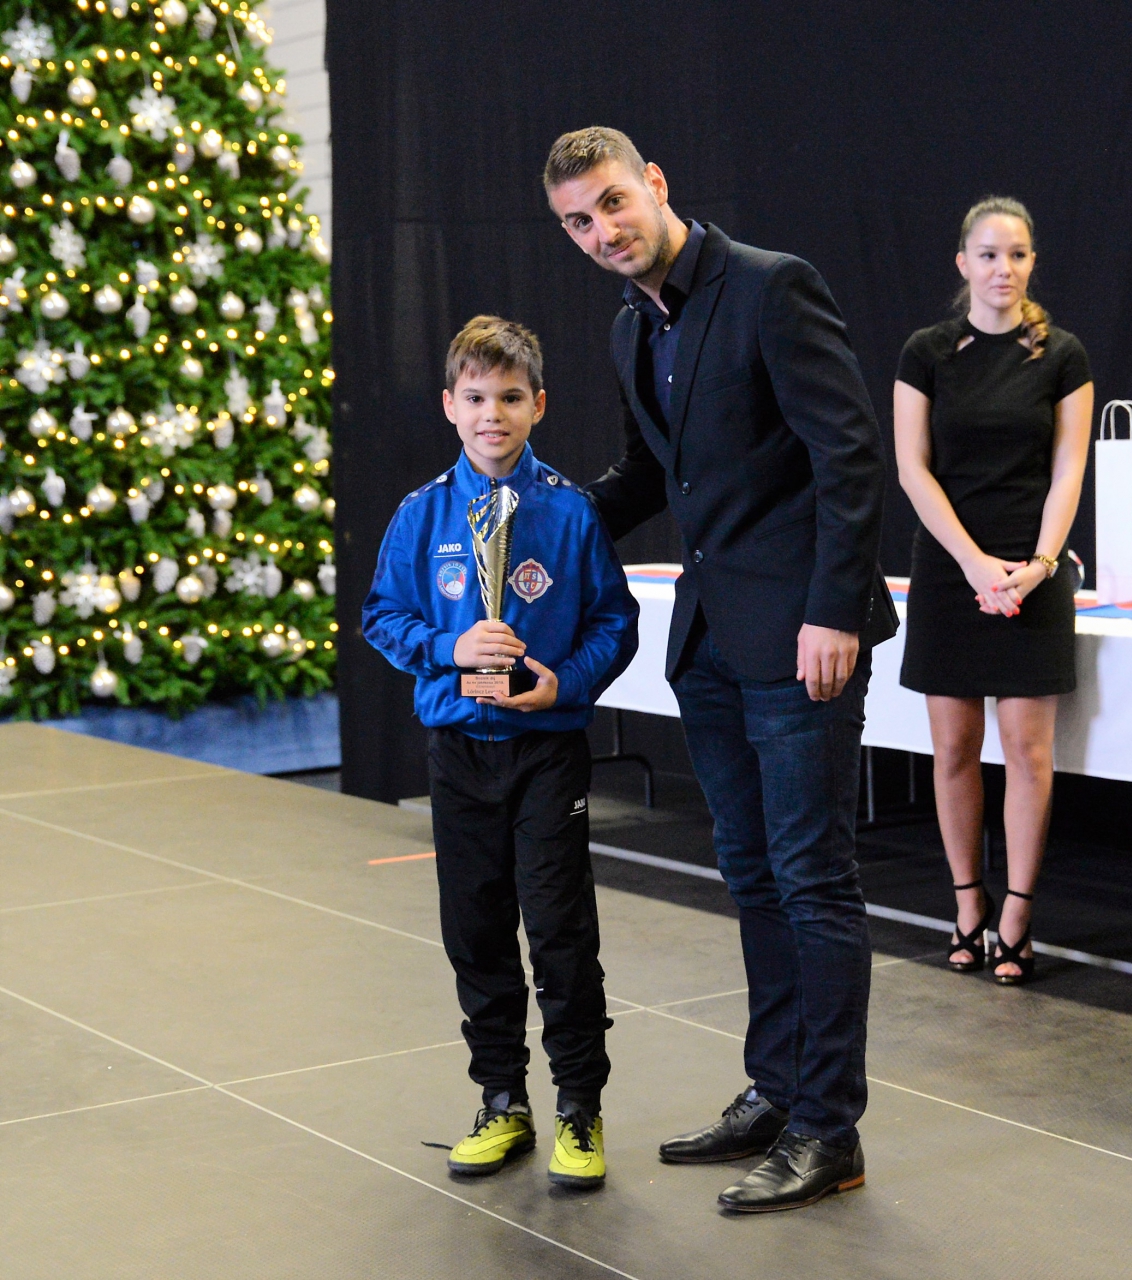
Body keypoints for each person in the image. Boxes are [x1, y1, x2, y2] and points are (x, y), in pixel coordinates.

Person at [544, 127, 897, 1213]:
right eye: (578, 222)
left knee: (812, 878)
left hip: (800, 638)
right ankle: (778, 1089)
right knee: (751, 876)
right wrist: (547, 522)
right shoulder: (629, 327)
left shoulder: (771, 287)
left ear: (654, 184)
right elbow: (652, 473)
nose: (602, 231)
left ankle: (829, 1127)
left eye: (612, 202)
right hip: (706, 641)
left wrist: (834, 609)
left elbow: (849, 456)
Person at [362, 316, 640, 1189]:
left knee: (560, 932)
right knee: (476, 930)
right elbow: (381, 616)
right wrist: (449, 648)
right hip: (459, 751)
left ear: (538, 406)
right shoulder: (421, 515)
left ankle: (579, 1107)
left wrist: (565, 684)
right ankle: (500, 1099)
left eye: (511, 398)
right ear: (450, 405)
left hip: (545, 753)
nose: (494, 415)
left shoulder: (568, 511)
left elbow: (615, 623)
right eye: (476, 398)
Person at [893, 197, 1093, 985]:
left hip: (1033, 570)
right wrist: (974, 562)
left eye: (1015, 255)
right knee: (952, 749)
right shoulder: (928, 352)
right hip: (952, 569)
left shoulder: (1062, 354)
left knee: (1028, 752)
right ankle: (967, 905)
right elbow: (913, 469)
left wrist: (1040, 564)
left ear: (1032, 262)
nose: (1002, 268)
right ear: (963, 263)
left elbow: (1069, 469)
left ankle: (1016, 917)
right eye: (987, 254)